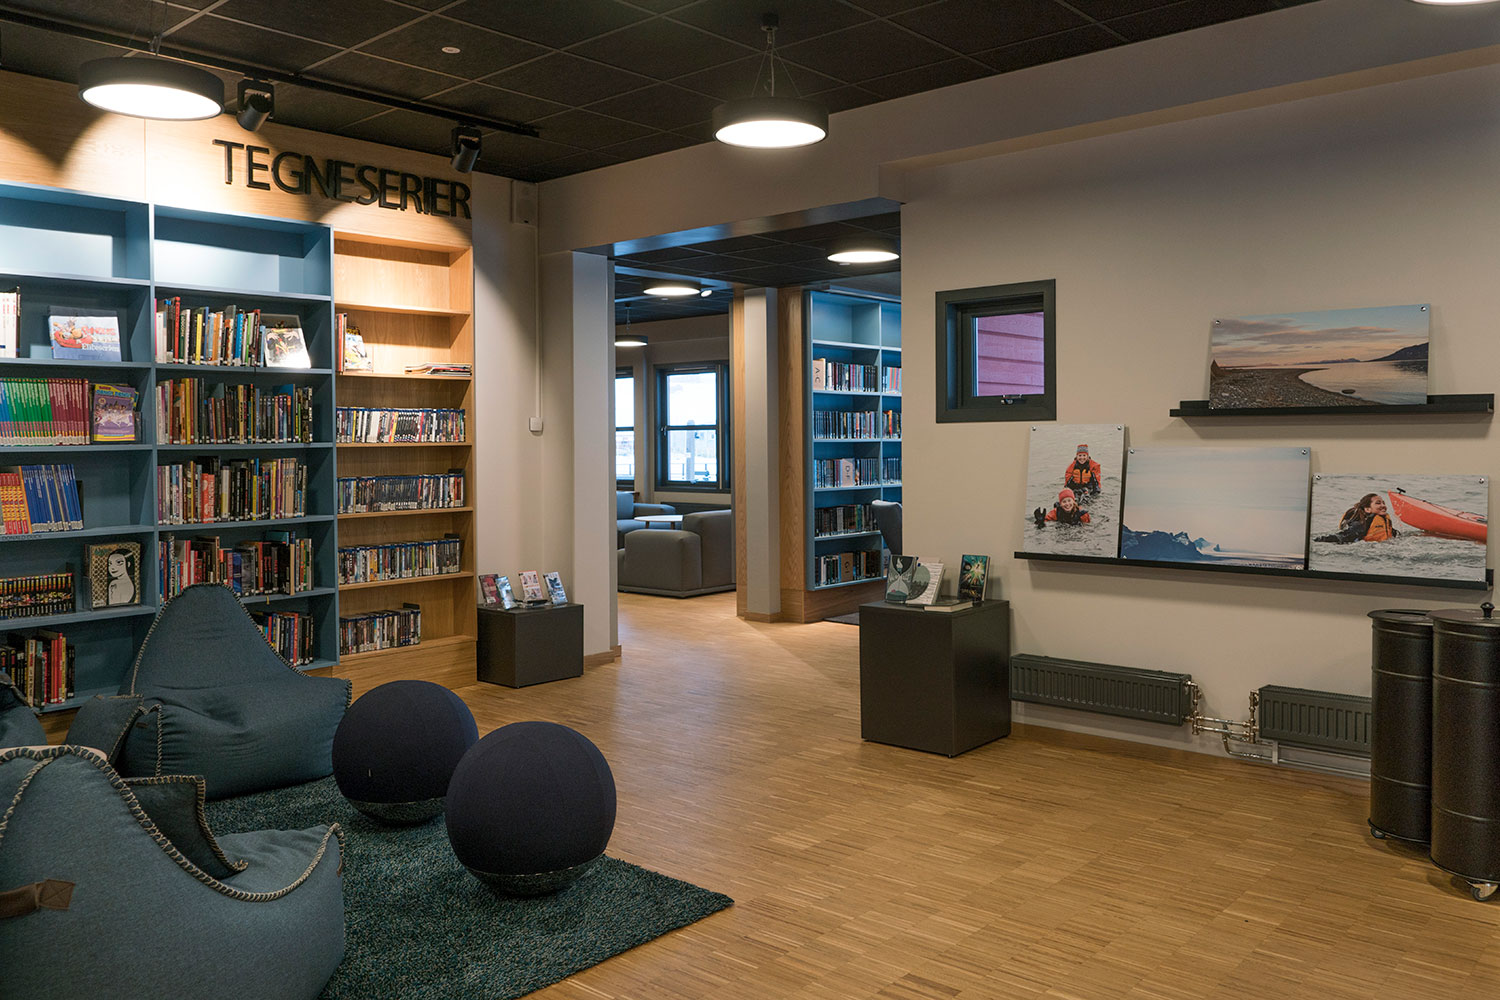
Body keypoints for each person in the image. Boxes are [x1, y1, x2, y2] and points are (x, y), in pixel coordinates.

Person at [1314, 492, 1398, 544]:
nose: (1383, 505)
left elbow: (1392, 533)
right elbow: (1345, 536)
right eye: (1378, 503)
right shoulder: (1361, 523)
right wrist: (1322, 539)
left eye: (1383, 503)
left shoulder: (1383, 520)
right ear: (1367, 509)